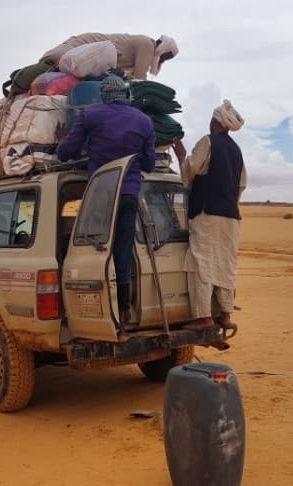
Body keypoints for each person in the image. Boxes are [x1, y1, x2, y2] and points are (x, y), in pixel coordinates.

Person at [56, 75, 155, 335]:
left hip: (101, 195)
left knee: (94, 253)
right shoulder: (144, 121)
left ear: (103, 95)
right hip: (130, 195)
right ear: (124, 94)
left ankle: (98, 316)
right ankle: (122, 315)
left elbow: (67, 149)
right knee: (122, 254)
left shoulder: (91, 115)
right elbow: (149, 165)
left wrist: (66, 151)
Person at [173, 100, 246, 333]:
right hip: (230, 217)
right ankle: (225, 314)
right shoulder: (236, 150)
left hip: (207, 213)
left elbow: (190, 172)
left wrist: (182, 157)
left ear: (215, 121)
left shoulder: (208, 142)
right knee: (224, 264)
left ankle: (203, 316)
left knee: (200, 262)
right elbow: (241, 184)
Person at [41, 33, 179, 80]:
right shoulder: (147, 45)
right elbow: (139, 79)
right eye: (166, 56)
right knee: (56, 60)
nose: (163, 60)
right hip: (81, 47)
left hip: (85, 56)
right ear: (162, 48)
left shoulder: (145, 47)